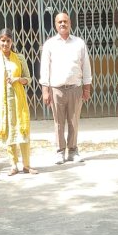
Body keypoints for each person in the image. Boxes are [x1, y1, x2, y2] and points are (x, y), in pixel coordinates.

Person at [39, 12, 93, 165]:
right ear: (55, 25)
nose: (62, 24)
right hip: (56, 89)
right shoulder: (50, 44)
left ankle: (73, 151)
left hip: (75, 88)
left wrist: (87, 88)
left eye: (65, 21)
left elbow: (86, 67)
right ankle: (60, 151)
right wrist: (45, 91)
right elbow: (45, 69)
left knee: (74, 121)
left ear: (70, 23)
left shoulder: (79, 43)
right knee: (58, 122)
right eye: (59, 22)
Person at [0, 27, 37, 175]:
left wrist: (18, 79)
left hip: (18, 102)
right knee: (9, 133)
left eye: (8, 41)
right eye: (3, 41)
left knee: (22, 132)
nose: (5, 44)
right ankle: (13, 165)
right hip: (3, 104)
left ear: (12, 42)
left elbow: (28, 78)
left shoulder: (20, 58)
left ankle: (26, 165)